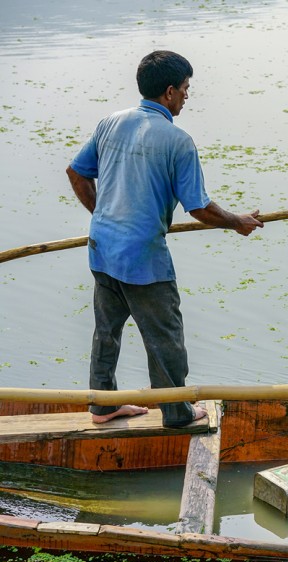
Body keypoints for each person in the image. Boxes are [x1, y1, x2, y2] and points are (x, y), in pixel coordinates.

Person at [66, 50, 263, 427]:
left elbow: (76, 173)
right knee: (165, 337)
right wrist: (237, 221)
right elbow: (200, 207)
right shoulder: (177, 140)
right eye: (186, 89)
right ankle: (176, 412)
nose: (188, 96)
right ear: (170, 92)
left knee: (106, 332)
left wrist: (105, 215)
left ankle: (103, 405)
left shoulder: (111, 122)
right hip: (143, 258)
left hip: (102, 249)